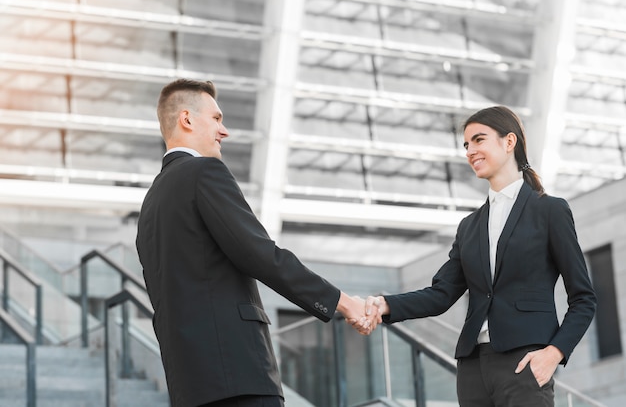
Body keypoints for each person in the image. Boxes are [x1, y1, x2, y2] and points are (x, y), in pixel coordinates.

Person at [136, 78, 377, 407]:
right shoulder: (205, 172)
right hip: (237, 375)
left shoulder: (151, 204)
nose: (225, 131)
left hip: (188, 385)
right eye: (217, 119)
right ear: (187, 119)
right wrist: (345, 303)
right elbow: (261, 254)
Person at [357, 106, 596, 407]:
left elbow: (584, 298)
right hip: (472, 369)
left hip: (524, 365)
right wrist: (386, 304)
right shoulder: (469, 227)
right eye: (466, 144)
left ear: (509, 142)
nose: (470, 150)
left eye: (479, 139)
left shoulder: (550, 211)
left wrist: (554, 353)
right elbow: (441, 294)